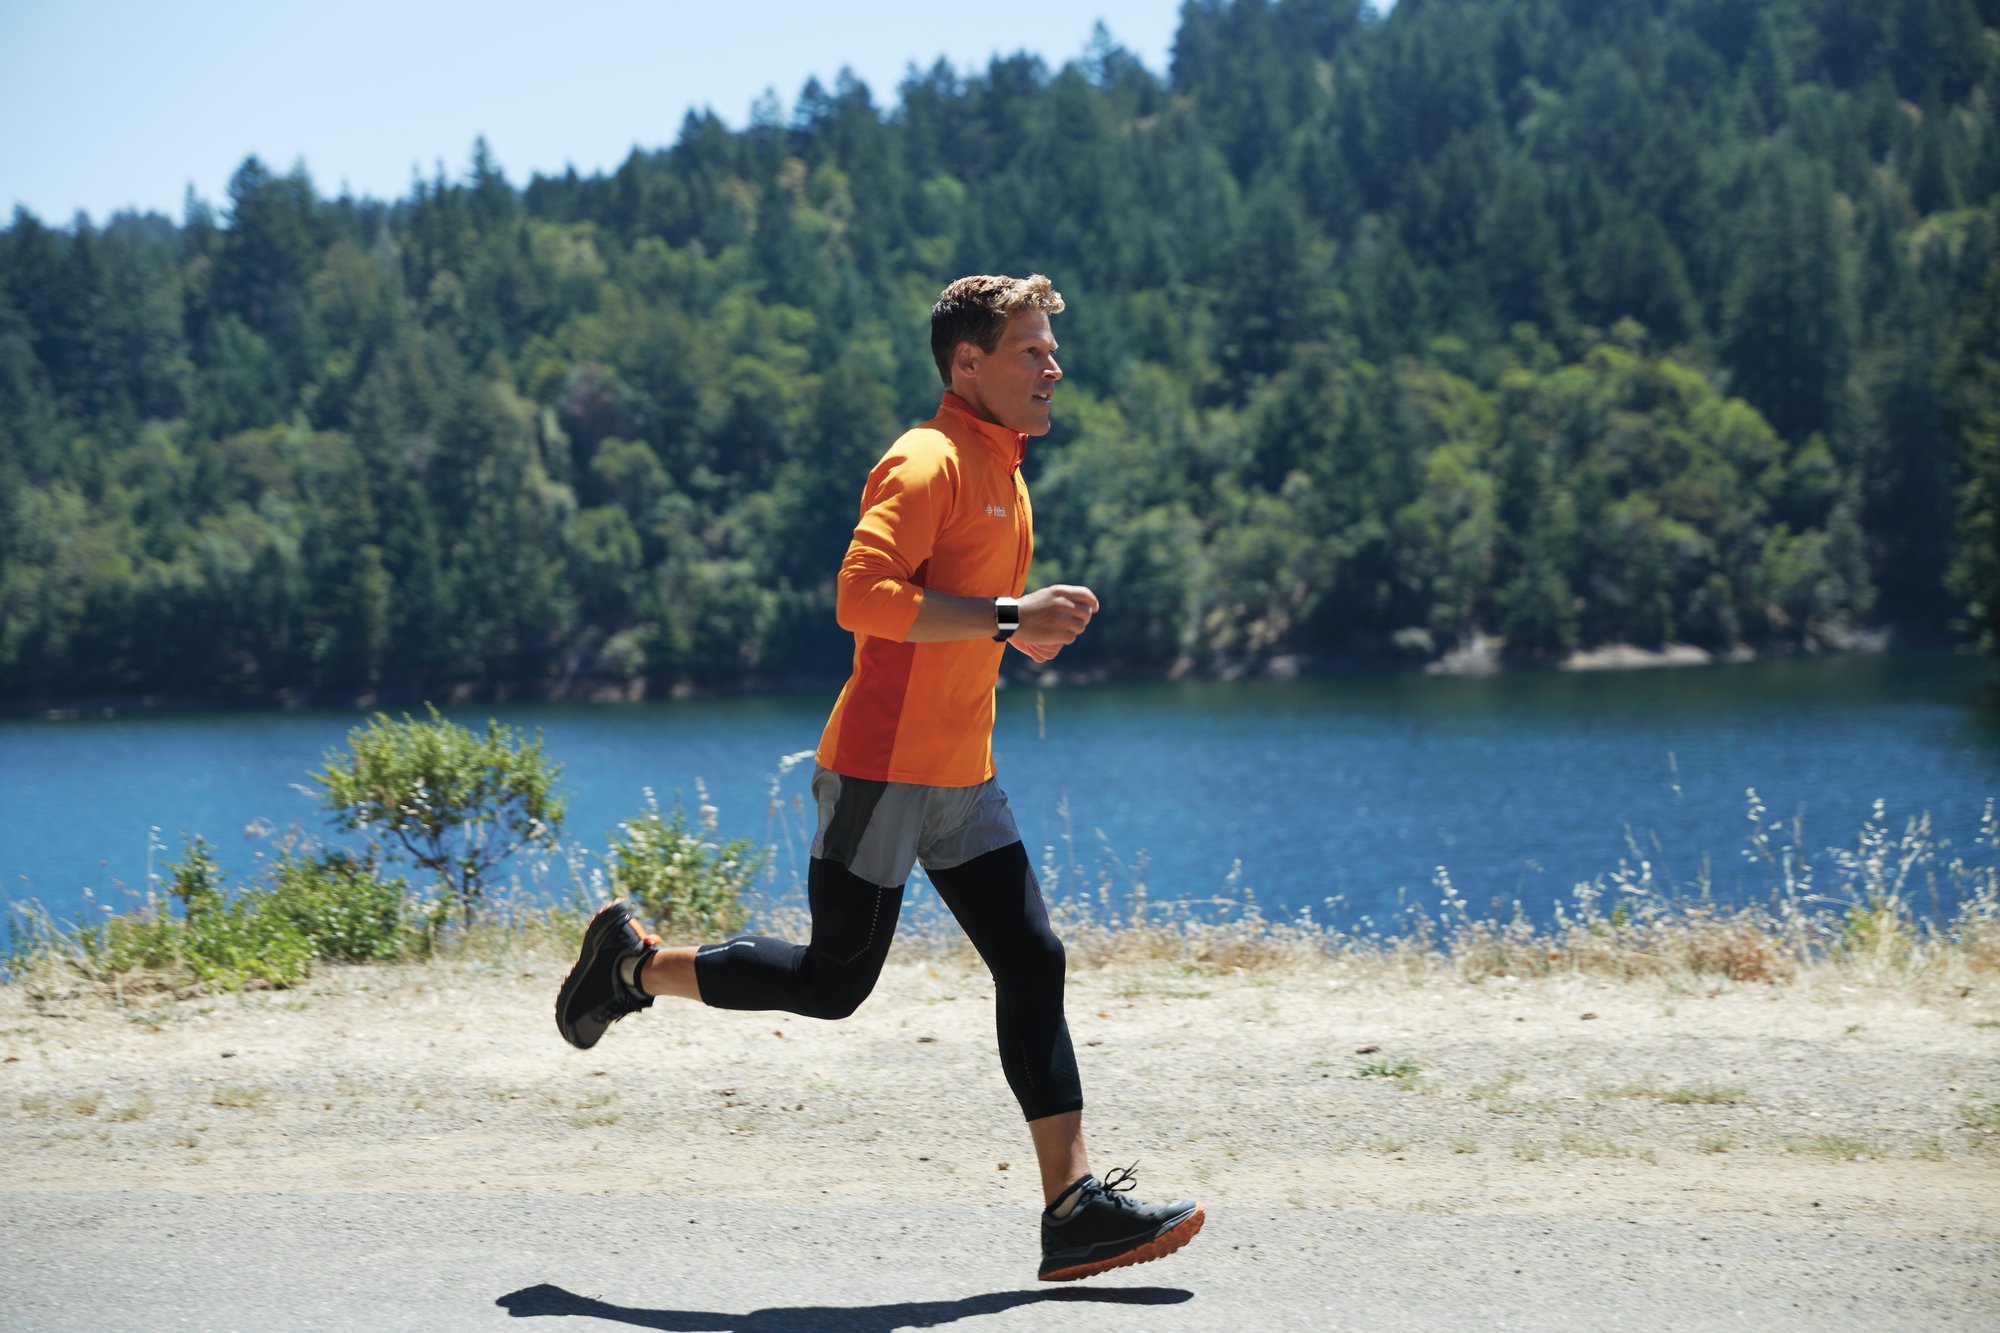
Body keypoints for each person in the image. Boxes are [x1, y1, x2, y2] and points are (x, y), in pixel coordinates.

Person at [555, 273, 1203, 1282]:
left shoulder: (1002, 467)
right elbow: (861, 597)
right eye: (1029, 351)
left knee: (1032, 959)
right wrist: (1005, 619)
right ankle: (629, 962)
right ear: (967, 365)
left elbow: (955, 609)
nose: (1051, 367)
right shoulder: (926, 459)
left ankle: (1071, 1211)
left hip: (962, 774)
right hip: (882, 770)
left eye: (1049, 350)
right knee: (832, 984)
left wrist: (1017, 632)